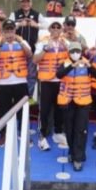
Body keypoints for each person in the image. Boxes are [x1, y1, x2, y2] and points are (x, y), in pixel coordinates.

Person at [56, 42, 96, 171]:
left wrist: (90, 66)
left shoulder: (87, 63)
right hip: (67, 101)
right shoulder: (65, 63)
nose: (75, 53)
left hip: (83, 102)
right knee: (69, 130)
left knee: (81, 130)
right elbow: (59, 75)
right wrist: (72, 66)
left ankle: (78, 158)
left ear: (81, 52)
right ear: (69, 52)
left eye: (78, 51)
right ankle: (73, 152)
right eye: (73, 51)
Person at [0, 19, 32, 147]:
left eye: (11, 30)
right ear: (3, 31)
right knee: (3, 110)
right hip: (4, 82)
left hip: (20, 81)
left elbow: (29, 54)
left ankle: (23, 133)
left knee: (23, 110)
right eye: (7, 30)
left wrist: (20, 41)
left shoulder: (22, 41)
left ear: (15, 30)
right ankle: (3, 134)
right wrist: (0, 44)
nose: (9, 33)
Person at [33, 20, 69, 150]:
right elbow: (35, 60)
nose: (55, 29)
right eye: (53, 27)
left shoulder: (66, 43)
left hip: (61, 81)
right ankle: (42, 136)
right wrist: (45, 48)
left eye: (57, 27)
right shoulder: (43, 42)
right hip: (47, 82)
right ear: (49, 29)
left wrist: (67, 49)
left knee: (61, 108)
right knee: (44, 110)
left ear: (61, 29)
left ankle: (58, 132)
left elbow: (74, 59)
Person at [12, 0, 42, 100]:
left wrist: (37, 25)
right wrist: (19, 24)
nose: (26, 4)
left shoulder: (37, 14)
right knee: (16, 74)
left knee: (31, 75)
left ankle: (28, 97)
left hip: (32, 50)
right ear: (20, 3)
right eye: (23, 2)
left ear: (31, 2)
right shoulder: (14, 14)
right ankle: (16, 97)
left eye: (27, 1)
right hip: (17, 51)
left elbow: (48, 25)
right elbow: (7, 26)